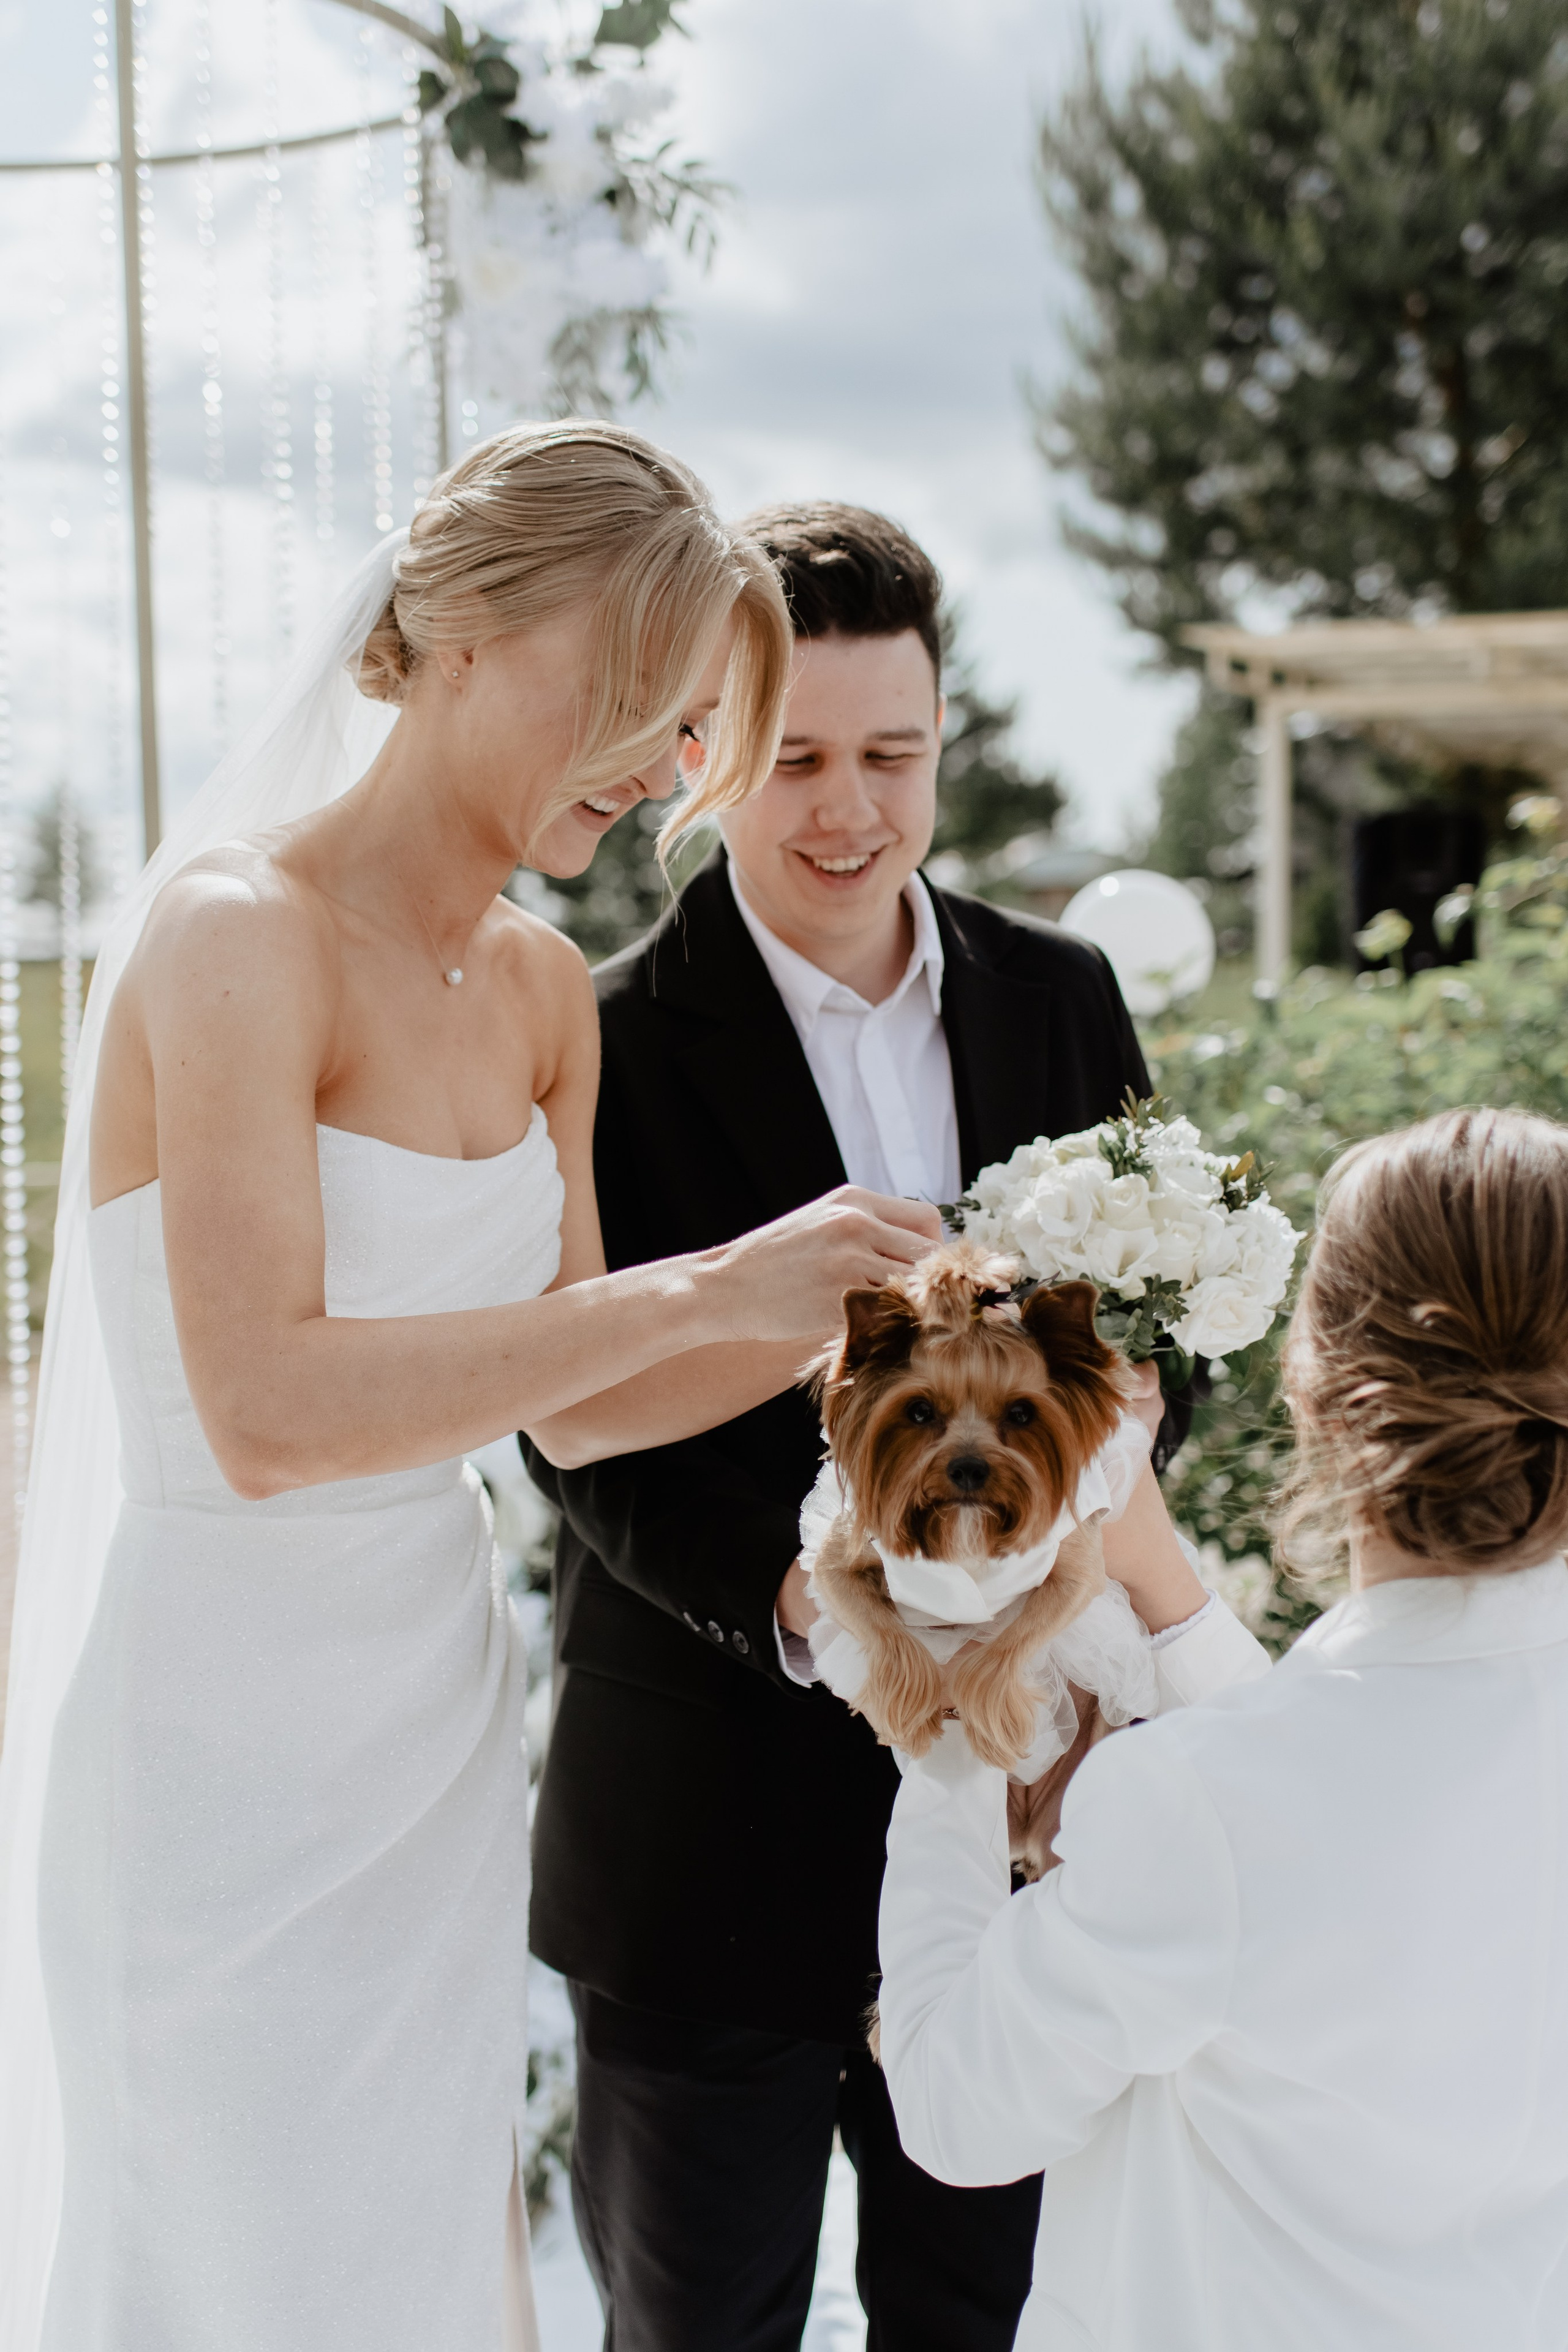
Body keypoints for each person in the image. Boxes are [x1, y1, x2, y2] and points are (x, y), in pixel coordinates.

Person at [0, 425, 948, 2352]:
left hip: (426, 1733)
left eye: (690, 725)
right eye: (627, 701)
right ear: (452, 636)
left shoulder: (534, 991)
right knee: (236, 2253)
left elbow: (582, 1412)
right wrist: (710, 1283)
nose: (660, 767)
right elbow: (266, 1410)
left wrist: (887, 1332)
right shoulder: (233, 936)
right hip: (216, 1746)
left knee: (422, 2257)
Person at [524, 502, 1257, 2351]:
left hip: (1036, 1841)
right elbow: (571, 1420)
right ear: (705, 753)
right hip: (709, 1856)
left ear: (945, 744)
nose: (849, 809)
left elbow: (1164, 1328)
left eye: (894, 756)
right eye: (798, 760)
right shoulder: (598, 1036)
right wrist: (811, 1618)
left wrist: (1110, 1494)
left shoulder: (1059, 995)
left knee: (996, 2328)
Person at [878, 1104, 1568, 2352]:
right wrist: (1158, 1581)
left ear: (1310, 1379)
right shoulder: (1260, 1780)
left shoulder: (1201, 1803)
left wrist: (948, 1703)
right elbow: (1339, 1803)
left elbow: (952, 2104)